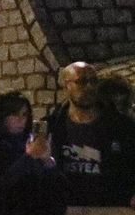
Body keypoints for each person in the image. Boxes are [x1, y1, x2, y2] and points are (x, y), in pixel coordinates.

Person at [44, 62, 135, 207]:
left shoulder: (122, 127)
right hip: (66, 211)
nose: (89, 87)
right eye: (81, 82)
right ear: (66, 86)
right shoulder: (52, 127)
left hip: (112, 210)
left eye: (93, 81)